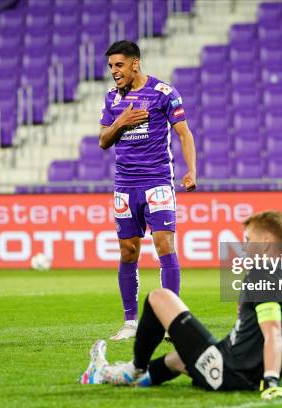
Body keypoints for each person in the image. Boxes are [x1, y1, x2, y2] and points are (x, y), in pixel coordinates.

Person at [80, 211, 282, 400]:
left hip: (232, 374)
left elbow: (273, 333)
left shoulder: (258, 274)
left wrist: (271, 384)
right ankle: (115, 376)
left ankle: (133, 369)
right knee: (178, 359)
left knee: (158, 297)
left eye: (248, 239)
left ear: (267, 243)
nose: (244, 245)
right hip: (239, 367)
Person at [99, 40, 197, 341]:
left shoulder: (163, 93)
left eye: (119, 65)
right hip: (125, 186)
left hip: (157, 181)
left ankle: (172, 321)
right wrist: (121, 121)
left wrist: (191, 170)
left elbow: (183, 132)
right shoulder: (112, 99)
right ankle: (130, 322)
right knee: (128, 251)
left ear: (135, 63)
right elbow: (103, 140)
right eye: (111, 66)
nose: (114, 72)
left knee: (164, 244)